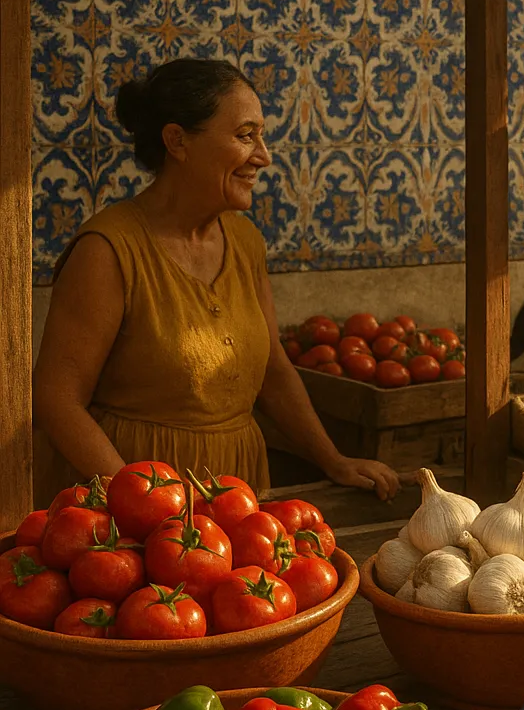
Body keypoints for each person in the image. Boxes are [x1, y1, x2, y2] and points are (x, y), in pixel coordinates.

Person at [33, 58, 401, 506]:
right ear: (177, 141)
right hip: (129, 498)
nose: (263, 156)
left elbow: (273, 372)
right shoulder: (108, 250)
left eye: (260, 136)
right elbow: (56, 399)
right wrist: (142, 503)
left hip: (234, 494)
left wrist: (333, 459)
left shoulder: (245, 242)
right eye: (246, 136)